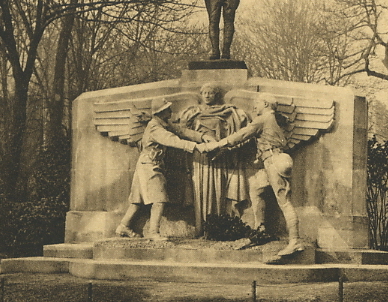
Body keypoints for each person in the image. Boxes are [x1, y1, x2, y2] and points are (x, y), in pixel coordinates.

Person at [206, 94, 303, 257]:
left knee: (284, 202)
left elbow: (243, 134)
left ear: (265, 104)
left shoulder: (264, 118)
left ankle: (295, 241)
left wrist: (219, 144)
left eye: (256, 103)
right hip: (269, 161)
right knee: (256, 189)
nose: (254, 107)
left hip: (274, 161)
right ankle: (260, 230)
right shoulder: (274, 119)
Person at [115, 97, 212, 241]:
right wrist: (196, 147)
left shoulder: (163, 124)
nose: (171, 111)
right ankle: (154, 233)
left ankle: (124, 226)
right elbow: (173, 140)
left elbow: (181, 131)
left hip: (148, 165)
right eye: (167, 109)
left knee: (137, 200)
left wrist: (202, 137)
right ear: (161, 112)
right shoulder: (155, 128)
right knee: (159, 199)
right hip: (150, 166)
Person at [178, 84, 251, 234]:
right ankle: (201, 227)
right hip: (200, 156)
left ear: (216, 95)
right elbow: (183, 131)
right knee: (200, 191)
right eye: (204, 92)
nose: (207, 95)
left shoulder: (227, 111)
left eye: (210, 93)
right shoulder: (193, 112)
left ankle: (217, 227)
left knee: (218, 189)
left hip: (219, 156)